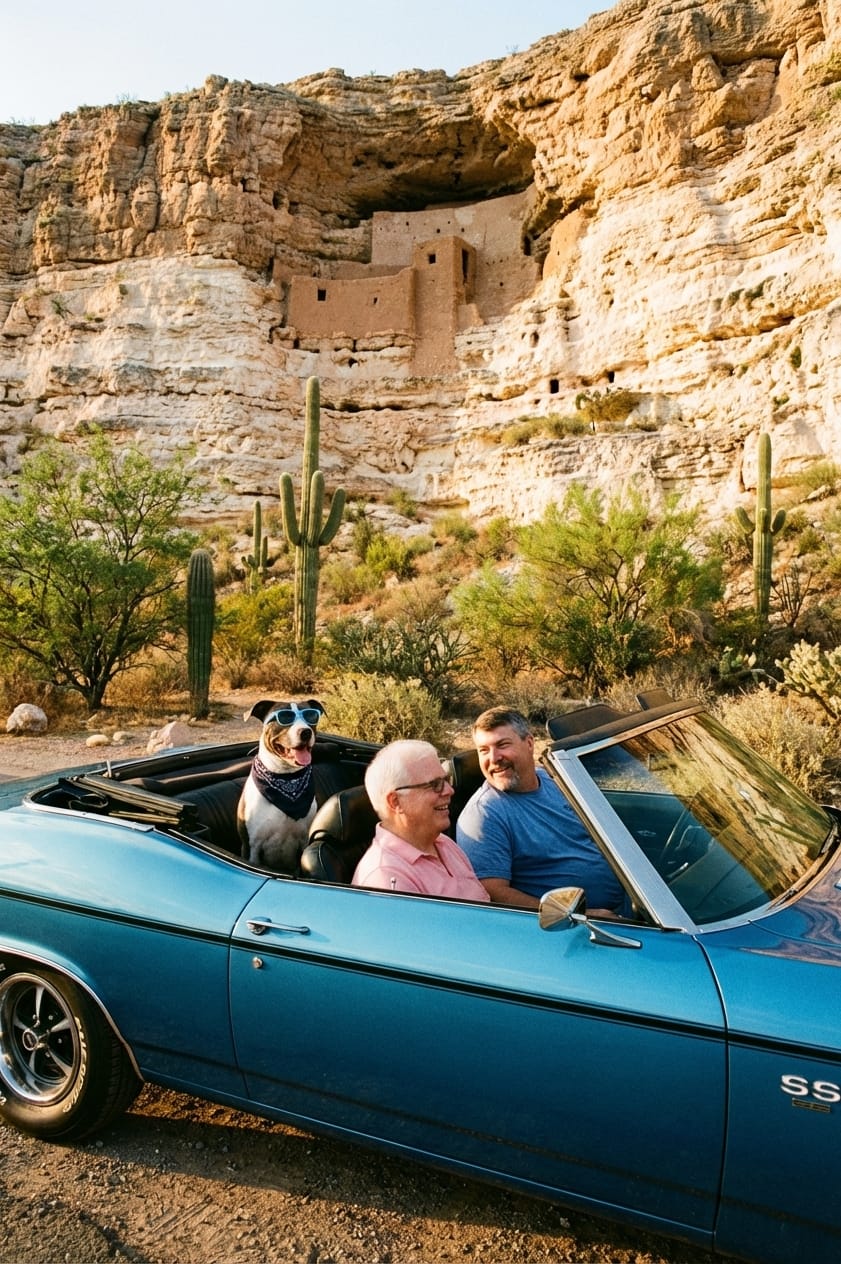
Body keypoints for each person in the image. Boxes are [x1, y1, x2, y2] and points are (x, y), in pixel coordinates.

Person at [456, 707, 624, 915]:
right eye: (483, 750)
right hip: (577, 927)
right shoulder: (484, 815)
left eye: (502, 745)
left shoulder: (552, 779)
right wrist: (578, 915)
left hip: (626, 906)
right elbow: (493, 893)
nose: (494, 758)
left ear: (529, 743)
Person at [353, 739, 490, 901]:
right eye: (435, 785)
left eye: (446, 780)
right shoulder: (388, 879)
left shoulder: (442, 843)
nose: (449, 790)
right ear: (395, 802)